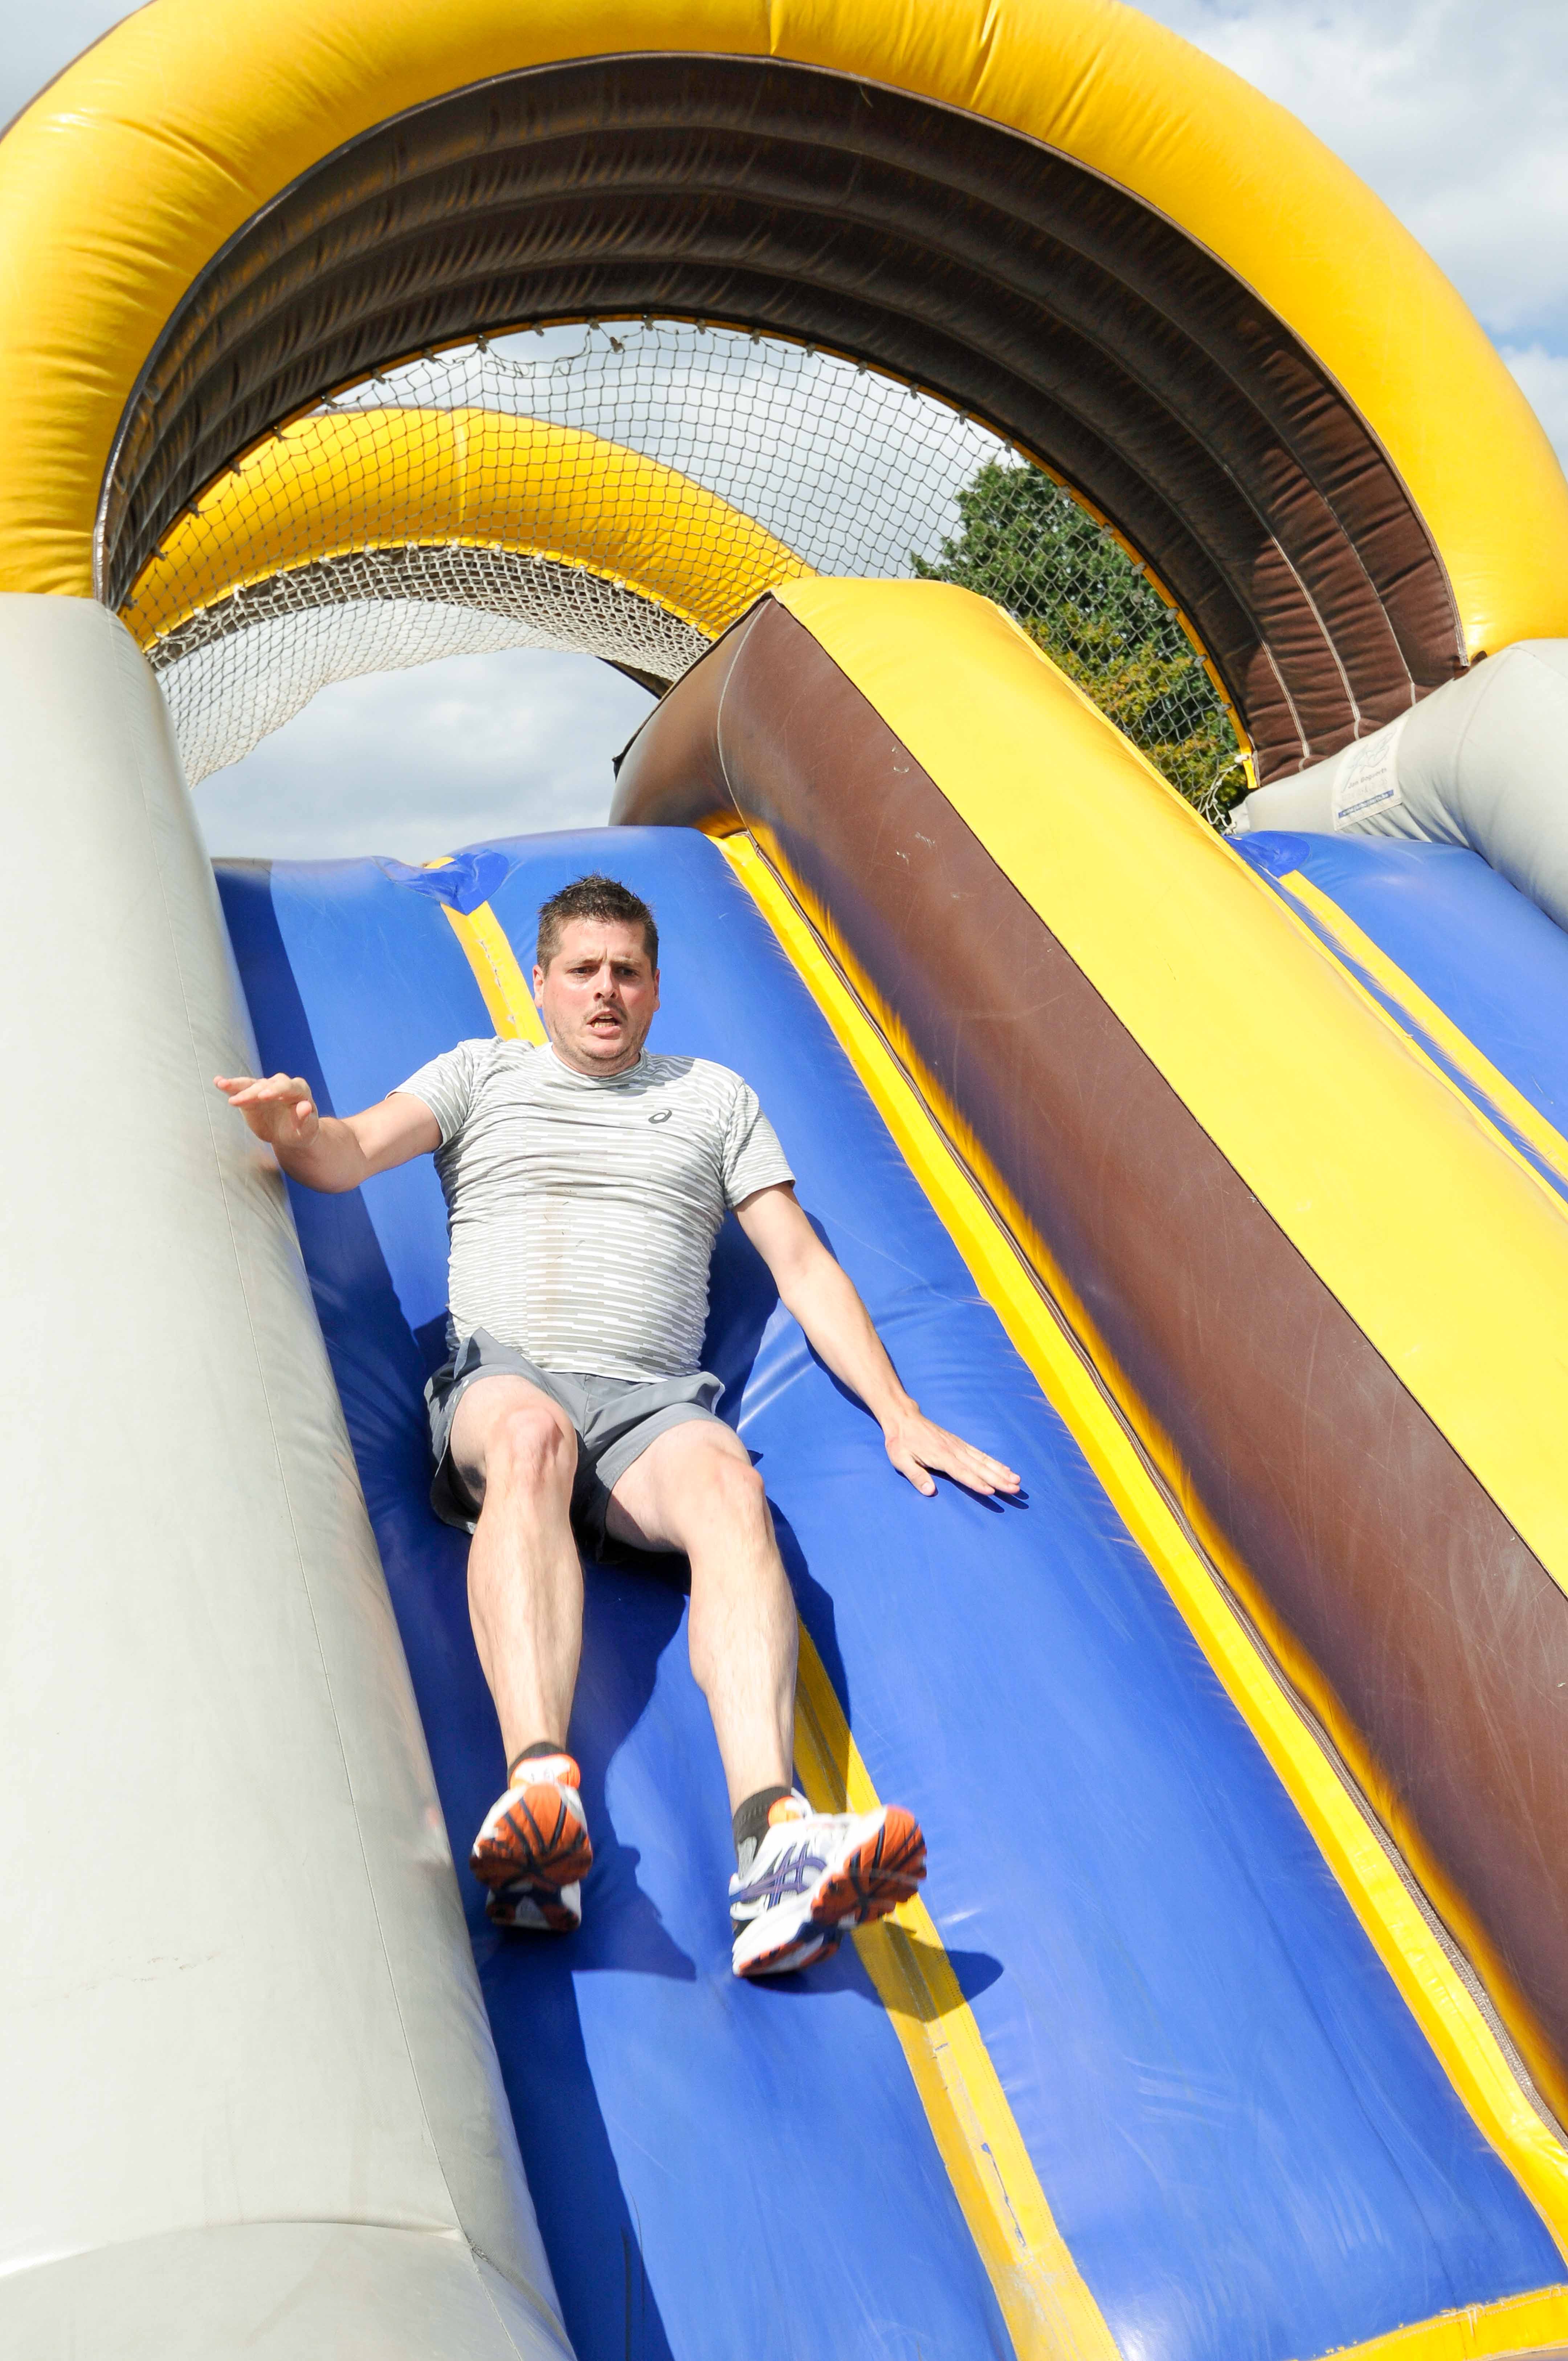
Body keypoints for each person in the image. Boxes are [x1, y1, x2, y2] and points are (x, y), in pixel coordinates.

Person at [216, 872, 1019, 1977]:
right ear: (541, 982)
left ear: (656, 990)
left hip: (653, 1407)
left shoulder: (715, 1099)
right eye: (584, 971)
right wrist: (296, 1131)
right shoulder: (482, 1073)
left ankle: (773, 1848)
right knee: (531, 1442)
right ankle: (540, 1798)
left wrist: (898, 1411)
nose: (606, 991)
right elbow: (347, 1152)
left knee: (731, 1485)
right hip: (508, 1380)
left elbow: (800, 1264)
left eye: (628, 973)